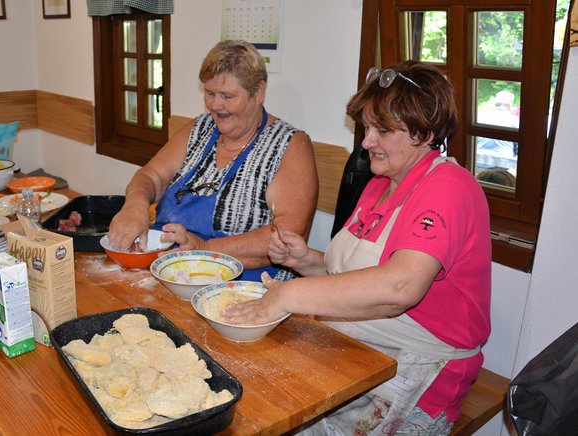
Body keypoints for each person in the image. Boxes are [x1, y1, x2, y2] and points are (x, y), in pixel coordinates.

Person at [225, 61, 492, 434]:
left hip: (417, 375)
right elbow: (353, 277)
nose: (366, 142)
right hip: (360, 352)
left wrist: (287, 295)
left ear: (426, 132)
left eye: (382, 130)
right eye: (367, 127)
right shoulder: (379, 185)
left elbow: (399, 288)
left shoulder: (449, 188)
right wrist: (307, 261)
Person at [107, 40, 318, 281]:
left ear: (258, 92)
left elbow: (285, 236)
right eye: (209, 93)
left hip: (247, 286)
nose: (216, 105)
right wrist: (135, 204)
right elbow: (151, 176)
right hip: (173, 271)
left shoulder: (289, 146)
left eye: (228, 96)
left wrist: (206, 249)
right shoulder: (200, 128)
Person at [475, 90, 519, 174]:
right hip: (502, 167)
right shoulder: (514, 120)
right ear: (509, 105)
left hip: (477, 163)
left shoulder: (480, 116)